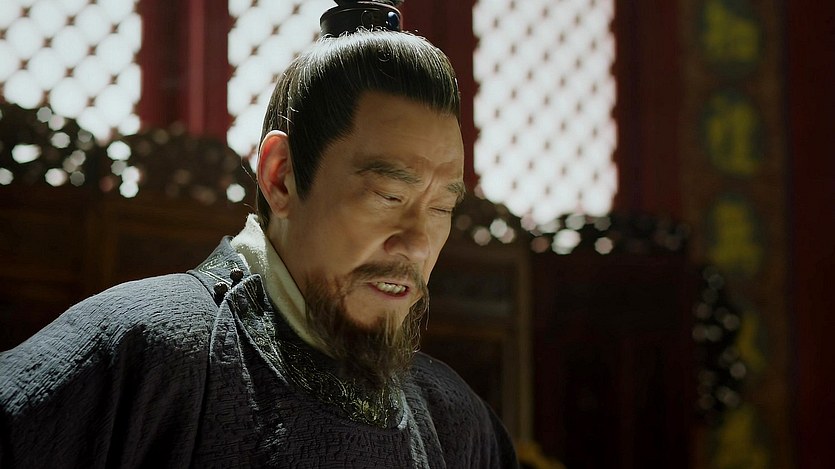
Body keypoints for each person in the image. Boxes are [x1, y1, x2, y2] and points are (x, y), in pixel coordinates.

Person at [0, 1, 518, 467]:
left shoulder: (456, 421)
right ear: (281, 176)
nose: (418, 243)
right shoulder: (146, 353)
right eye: (388, 195)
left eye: (441, 207)